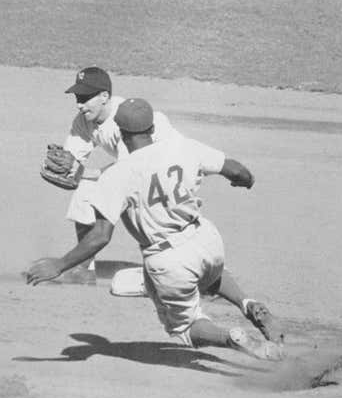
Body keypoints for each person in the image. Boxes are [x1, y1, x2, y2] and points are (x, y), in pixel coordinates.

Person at [26, 98, 284, 361]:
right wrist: (246, 181)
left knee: (184, 327)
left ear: (120, 132)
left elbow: (100, 236)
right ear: (151, 127)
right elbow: (236, 170)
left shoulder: (118, 174)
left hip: (167, 260)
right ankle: (248, 304)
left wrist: (59, 264)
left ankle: (230, 338)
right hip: (205, 238)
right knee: (210, 273)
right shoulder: (182, 147)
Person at [55, 66, 180, 285]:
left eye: (85, 98)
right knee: (85, 191)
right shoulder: (83, 119)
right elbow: (73, 163)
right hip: (136, 168)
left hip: (171, 170)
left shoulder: (125, 118)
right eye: (77, 97)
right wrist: (69, 169)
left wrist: (83, 173)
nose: (79, 104)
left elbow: (127, 174)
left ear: (104, 96)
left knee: (158, 223)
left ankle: (205, 272)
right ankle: (84, 268)